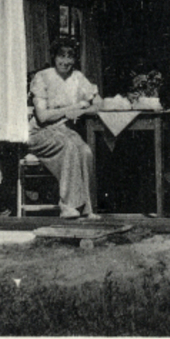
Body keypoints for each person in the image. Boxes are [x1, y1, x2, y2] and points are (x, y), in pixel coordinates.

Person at [28, 38, 101, 219]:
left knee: (85, 151)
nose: (66, 61)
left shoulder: (78, 78)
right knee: (69, 147)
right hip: (38, 133)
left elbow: (98, 103)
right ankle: (68, 205)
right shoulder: (42, 77)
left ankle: (87, 208)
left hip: (64, 130)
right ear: (54, 57)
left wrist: (82, 110)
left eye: (70, 56)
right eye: (61, 56)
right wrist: (72, 108)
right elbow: (43, 116)